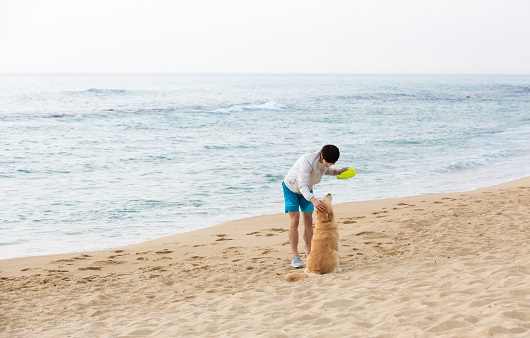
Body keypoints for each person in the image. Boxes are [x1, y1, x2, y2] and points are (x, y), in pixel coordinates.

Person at [282, 145, 348, 268]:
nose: (329, 165)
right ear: (322, 156)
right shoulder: (307, 161)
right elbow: (302, 185)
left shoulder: (325, 161)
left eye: (332, 163)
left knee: (308, 220)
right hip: (292, 188)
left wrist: (337, 172)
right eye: (328, 162)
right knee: (294, 220)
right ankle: (295, 256)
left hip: (307, 190)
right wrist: (313, 200)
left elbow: (324, 170)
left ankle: (309, 253)